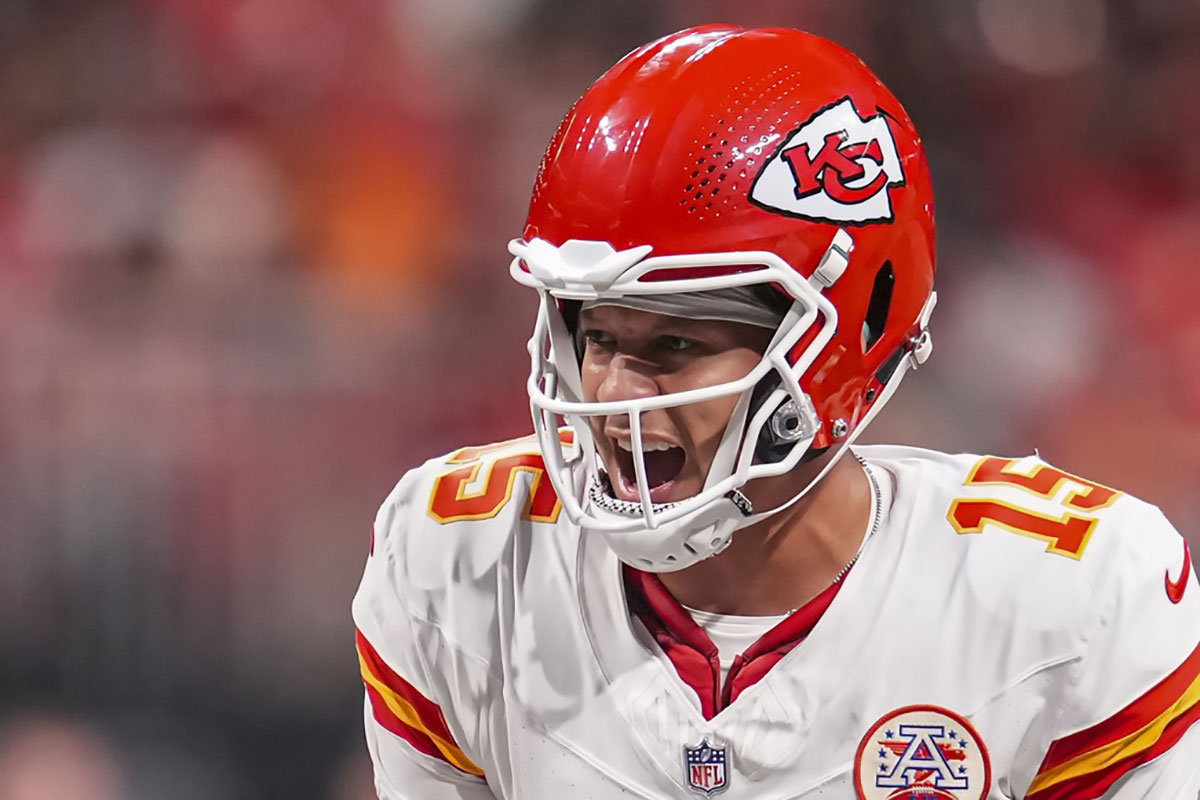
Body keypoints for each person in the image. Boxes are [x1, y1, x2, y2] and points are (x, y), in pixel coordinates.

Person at [352, 24, 1200, 799]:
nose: (611, 394)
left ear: (842, 343)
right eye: (600, 337)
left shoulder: (1066, 601)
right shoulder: (461, 561)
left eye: (676, 346)